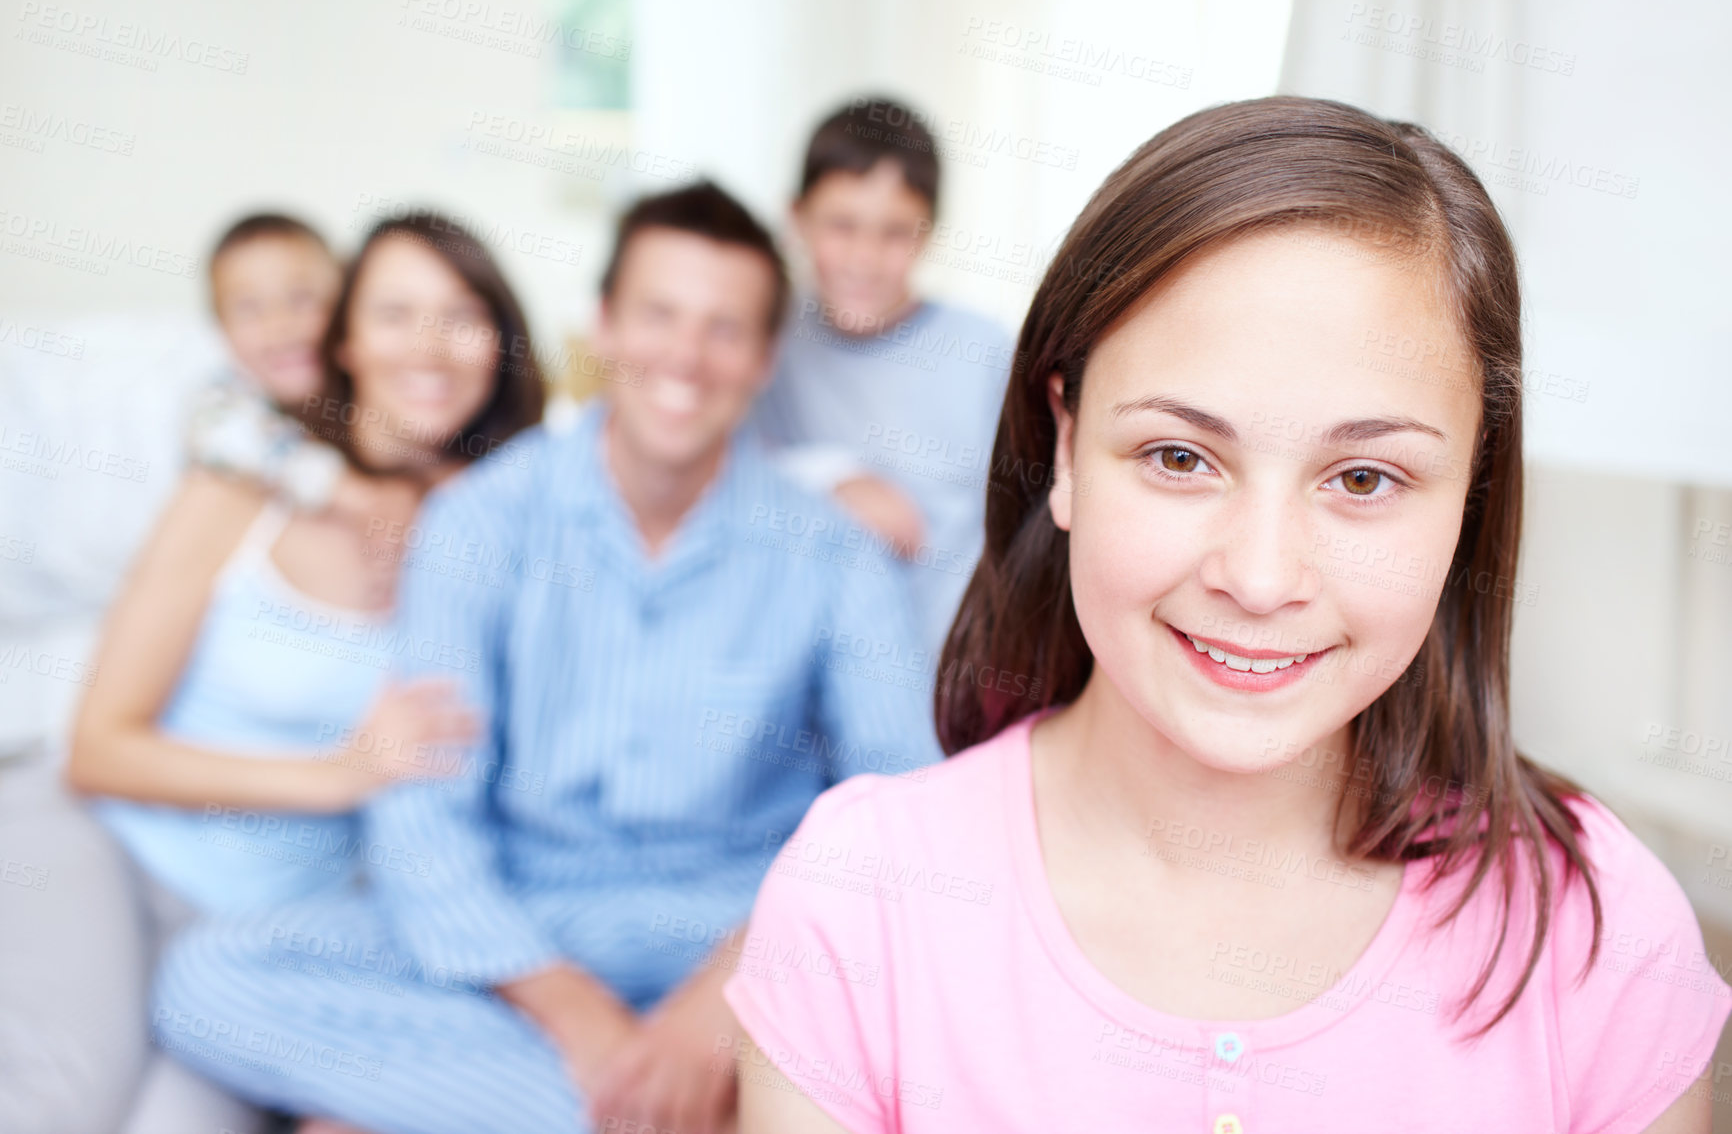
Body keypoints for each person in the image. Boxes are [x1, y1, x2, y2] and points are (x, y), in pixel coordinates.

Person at [724, 97, 1732, 1131]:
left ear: (1470, 493)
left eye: (1365, 476)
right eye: (1179, 456)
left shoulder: (1598, 927)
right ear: (1065, 448)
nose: (1258, 577)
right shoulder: (859, 906)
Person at [151, 180, 941, 1134]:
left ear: (765, 357)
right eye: (658, 314)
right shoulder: (478, 520)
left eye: (724, 329)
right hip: (524, 919)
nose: (685, 358)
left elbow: (895, 817)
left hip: (743, 929)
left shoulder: (837, 554)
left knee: (932, 986)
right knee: (209, 980)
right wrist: (581, 1020)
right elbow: (423, 818)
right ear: (602, 325)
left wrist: (714, 1016)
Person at [66, 211, 543, 1132]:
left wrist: (823, 475)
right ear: (348, 340)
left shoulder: (504, 518)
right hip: (119, 864)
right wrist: (336, 778)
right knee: (60, 1098)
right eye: (397, 313)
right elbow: (95, 749)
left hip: (289, 931)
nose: (431, 347)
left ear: (500, 342)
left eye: (462, 316)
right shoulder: (242, 479)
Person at [750, 96, 1014, 659]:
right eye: (842, 226)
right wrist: (831, 479)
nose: (864, 259)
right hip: (798, 676)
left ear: (928, 234)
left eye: (895, 232)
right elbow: (716, 472)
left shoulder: (984, 353)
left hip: (947, 680)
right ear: (796, 218)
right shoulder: (764, 337)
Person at [186, 212, 397, 519]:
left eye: (301, 299)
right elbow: (222, 440)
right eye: (248, 309)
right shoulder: (223, 399)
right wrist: (336, 486)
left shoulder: (359, 384)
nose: (280, 326)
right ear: (221, 329)